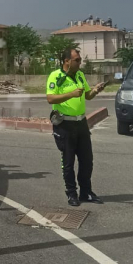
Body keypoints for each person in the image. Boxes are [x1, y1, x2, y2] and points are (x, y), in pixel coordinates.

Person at [46, 47, 107, 207]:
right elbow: (51, 99)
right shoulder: (56, 76)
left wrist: (95, 90)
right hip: (64, 124)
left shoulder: (80, 75)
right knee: (68, 161)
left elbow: (87, 95)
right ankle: (71, 193)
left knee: (87, 160)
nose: (80, 63)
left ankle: (86, 192)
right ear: (67, 61)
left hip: (81, 123)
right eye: (77, 60)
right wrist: (70, 94)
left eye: (80, 60)